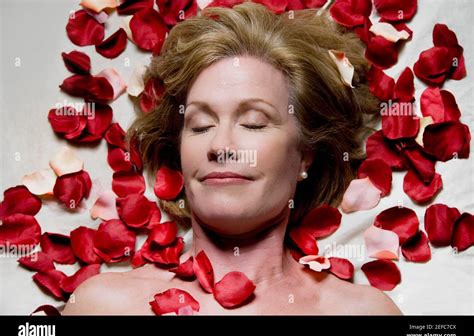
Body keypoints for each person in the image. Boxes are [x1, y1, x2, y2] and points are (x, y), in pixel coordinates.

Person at [62, 2, 402, 315]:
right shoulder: (101, 306)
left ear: (305, 156)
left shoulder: (362, 313)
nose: (220, 144)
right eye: (200, 126)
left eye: (253, 123)